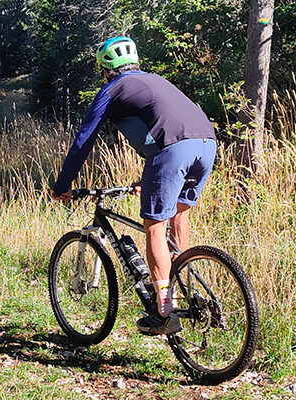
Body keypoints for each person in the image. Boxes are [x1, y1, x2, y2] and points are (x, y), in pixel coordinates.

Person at [51, 36, 217, 335]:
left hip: (173, 150)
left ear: (104, 70)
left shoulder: (112, 89)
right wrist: (149, 179)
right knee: (179, 215)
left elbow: (82, 142)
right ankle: (181, 280)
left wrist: (63, 184)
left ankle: (164, 308)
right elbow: (162, 126)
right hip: (207, 143)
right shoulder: (156, 81)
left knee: (154, 226)